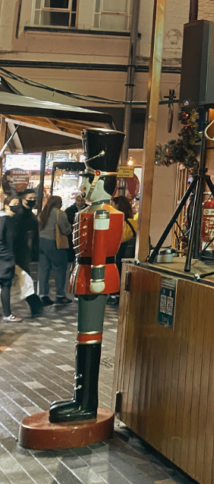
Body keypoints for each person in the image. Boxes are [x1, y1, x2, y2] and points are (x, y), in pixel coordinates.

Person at [50, 128, 125, 423]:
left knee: (90, 336)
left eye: (89, 180)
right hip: (86, 274)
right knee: (85, 336)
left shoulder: (105, 214)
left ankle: (86, 403)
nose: (85, 187)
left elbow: (101, 250)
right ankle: (80, 397)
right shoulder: (92, 211)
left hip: (98, 276)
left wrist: (95, 277)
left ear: (101, 182)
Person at [37, 195, 71, 305]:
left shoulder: (43, 213)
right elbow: (66, 230)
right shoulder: (59, 213)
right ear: (58, 203)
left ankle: (43, 295)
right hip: (53, 242)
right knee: (59, 268)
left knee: (43, 269)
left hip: (41, 242)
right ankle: (60, 295)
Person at [64, 188, 88, 297]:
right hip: (71, 239)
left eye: (82, 200)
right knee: (71, 260)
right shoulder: (70, 210)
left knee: (80, 261)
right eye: (78, 200)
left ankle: (77, 280)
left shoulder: (88, 209)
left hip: (84, 240)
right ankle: (71, 279)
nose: (80, 202)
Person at [0, 199, 20, 322]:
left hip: (5, 258)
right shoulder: (4, 220)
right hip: (4, 259)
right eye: (14, 204)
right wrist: (8, 257)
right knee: (6, 285)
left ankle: (7, 313)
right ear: (6, 205)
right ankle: (7, 314)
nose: (16, 207)